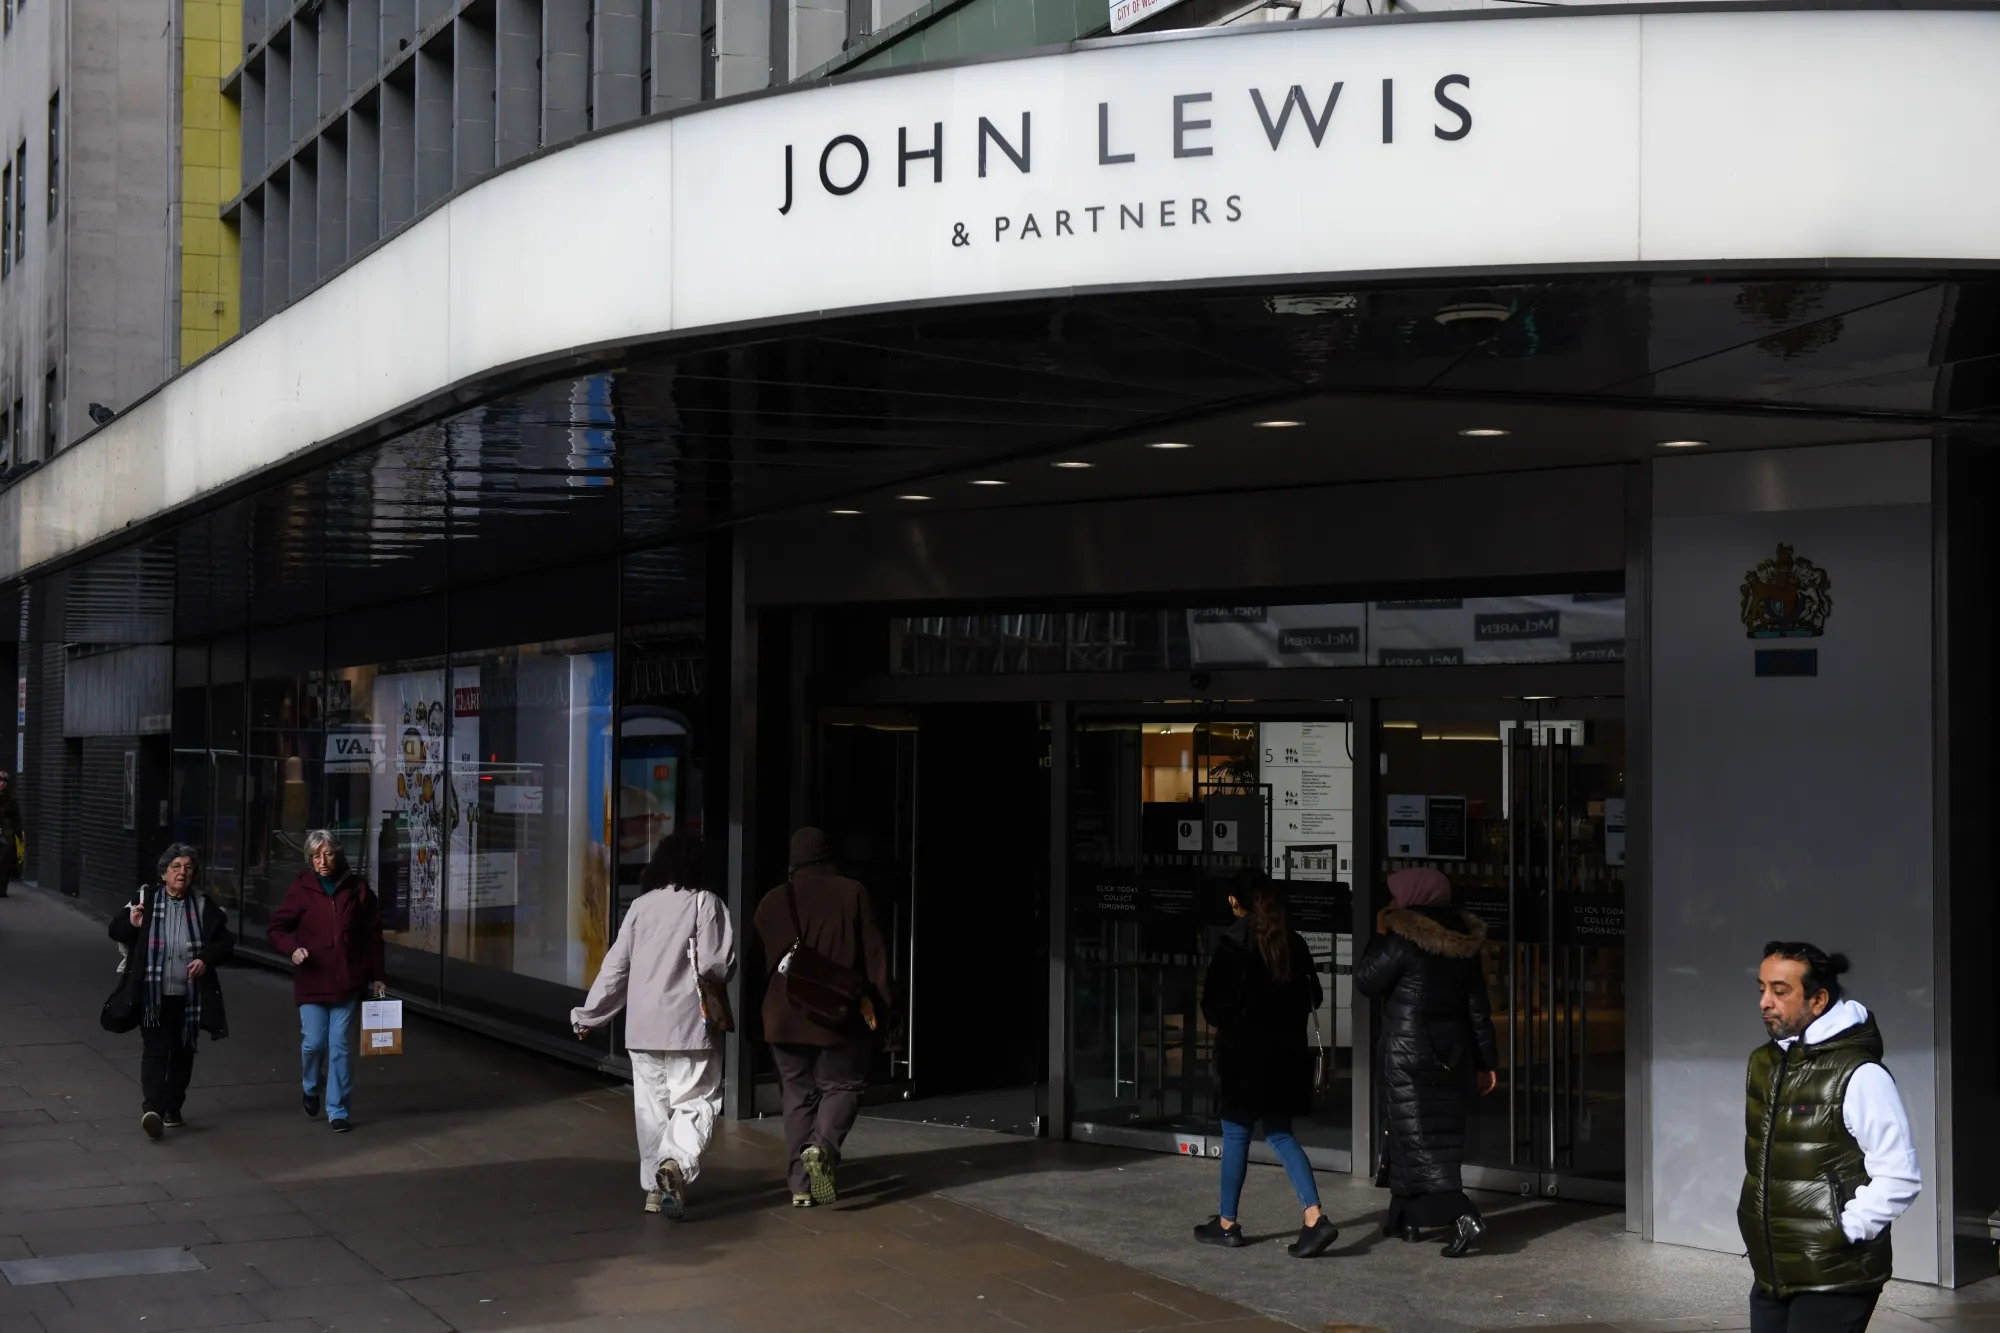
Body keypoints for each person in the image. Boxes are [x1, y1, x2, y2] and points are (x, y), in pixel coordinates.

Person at [1738, 942, 1920, 1333]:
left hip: (1835, 1275)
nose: (1765, 1002)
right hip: (1773, 1270)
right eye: (1761, 989)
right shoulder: (1763, 1064)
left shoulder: (1859, 1074)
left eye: (1780, 991)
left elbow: (1899, 1176)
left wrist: (1839, 1231)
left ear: (1818, 999)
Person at [571, 831, 735, 1219]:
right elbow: (717, 965)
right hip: (690, 1025)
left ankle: (653, 1191)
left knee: (651, 1111)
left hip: (642, 1028)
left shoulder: (641, 907)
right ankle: (674, 1163)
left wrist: (589, 1015)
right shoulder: (706, 903)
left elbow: (615, 969)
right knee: (696, 1102)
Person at [1354, 866, 1498, 1259]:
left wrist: (1379, 936)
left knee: (1416, 1140)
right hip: (1449, 1054)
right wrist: (1487, 1062)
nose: (1392, 902)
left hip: (1407, 1053)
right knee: (1418, 1138)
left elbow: (1367, 981)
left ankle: (1463, 1214)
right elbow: (1477, 1009)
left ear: (1412, 897)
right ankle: (1406, 1218)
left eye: (1396, 895)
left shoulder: (1401, 937)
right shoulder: (1460, 942)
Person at [1193, 874, 1339, 1258]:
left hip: (1243, 1058)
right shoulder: (1294, 942)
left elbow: (1213, 1008)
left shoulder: (1234, 944)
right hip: (1286, 1056)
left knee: (1237, 1134)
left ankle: (1227, 1224)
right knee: (1280, 1134)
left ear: (1236, 903)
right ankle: (1314, 1217)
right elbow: (1315, 996)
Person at [750, 826, 895, 1209]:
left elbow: (756, 965)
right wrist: (884, 1010)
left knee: (797, 1095)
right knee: (842, 1085)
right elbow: (876, 958)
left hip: (782, 1015)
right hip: (840, 1014)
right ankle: (822, 1148)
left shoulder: (771, 901)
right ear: (830, 855)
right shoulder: (854, 893)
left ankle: (800, 1185)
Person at [107, 844, 233, 1138]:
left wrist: (205, 959)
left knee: (182, 1051)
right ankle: (152, 1109)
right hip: (153, 994)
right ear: (163, 872)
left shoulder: (202, 904)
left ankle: (173, 1107)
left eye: (188, 867)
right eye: (176, 866)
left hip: (189, 996)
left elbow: (225, 943)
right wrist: (132, 923)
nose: (182, 872)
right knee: (155, 1049)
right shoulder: (145, 899)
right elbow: (116, 930)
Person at [267, 830, 387, 1134]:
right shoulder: (302, 889)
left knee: (340, 1047)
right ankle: (311, 1085)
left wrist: (377, 976)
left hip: (348, 980)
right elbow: (277, 928)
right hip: (312, 980)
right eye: (316, 856)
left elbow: (373, 934)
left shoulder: (357, 888)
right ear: (309, 858)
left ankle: (338, 1110)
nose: (322, 861)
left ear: (338, 853)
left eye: (328, 854)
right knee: (313, 1044)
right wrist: (293, 949)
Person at [0, 769, 20, 897]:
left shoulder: (11, 800)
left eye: (4, 780)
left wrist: (18, 836)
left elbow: (16, 819)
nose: (1, 783)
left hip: (6, 835)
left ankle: (2, 889)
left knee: (4, 862)